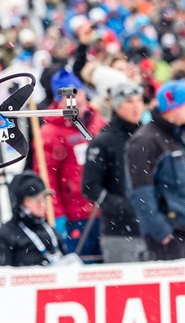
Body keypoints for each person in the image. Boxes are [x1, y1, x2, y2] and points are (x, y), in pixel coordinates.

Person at [126, 80, 185, 261]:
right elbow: (140, 192)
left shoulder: (178, 137)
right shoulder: (145, 140)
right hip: (171, 237)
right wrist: (162, 232)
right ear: (175, 107)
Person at [37, 68, 106, 256]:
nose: (77, 101)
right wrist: (57, 214)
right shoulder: (50, 133)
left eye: (79, 94)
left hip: (104, 210)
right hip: (75, 215)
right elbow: (47, 178)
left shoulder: (98, 123)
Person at [82, 81, 147, 263]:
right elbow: (90, 186)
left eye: (139, 100)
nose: (136, 106)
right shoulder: (104, 141)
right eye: (129, 102)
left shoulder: (148, 137)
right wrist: (122, 207)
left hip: (152, 229)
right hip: (119, 233)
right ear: (117, 106)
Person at [0, 171, 66, 266]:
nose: (42, 204)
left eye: (44, 198)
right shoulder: (3, 237)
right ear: (20, 203)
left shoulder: (51, 232)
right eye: (35, 200)